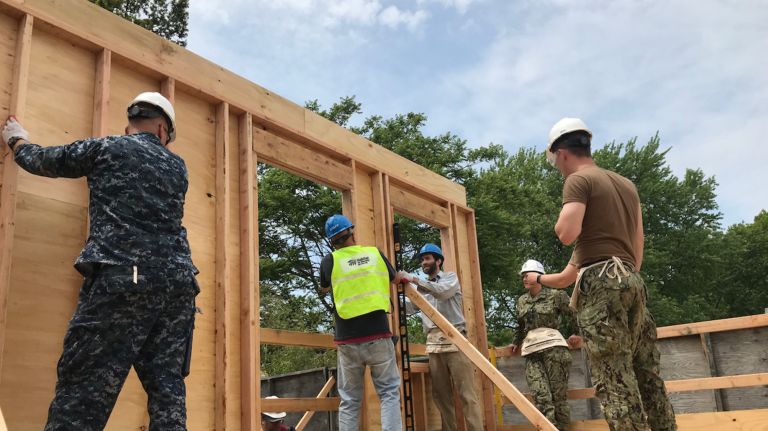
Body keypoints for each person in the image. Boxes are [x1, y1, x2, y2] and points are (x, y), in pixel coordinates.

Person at [1, 92, 199, 431]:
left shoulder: (107, 148)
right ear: (163, 130)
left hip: (122, 280)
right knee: (167, 391)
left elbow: (43, 160)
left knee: (83, 390)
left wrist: (17, 141)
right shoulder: (178, 167)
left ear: (130, 124)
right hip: (177, 287)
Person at [523, 118, 676, 431]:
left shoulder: (579, 181)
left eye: (555, 162)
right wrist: (539, 279)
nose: (558, 168)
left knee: (614, 378)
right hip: (632, 279)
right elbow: (637, 242)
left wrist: (562, 221)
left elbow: (567, 232)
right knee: (647, 374)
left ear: (561, 153)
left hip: (601, 284)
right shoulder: (626, 186)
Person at [318, 214, 402, 431]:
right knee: (389, 392)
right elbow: (396, 279)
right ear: (351, 232)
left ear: (331, 240)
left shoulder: (329, 261)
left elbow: (325, 287)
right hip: (378, 336)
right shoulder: (374, 254)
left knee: (349, 400)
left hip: (348, 340)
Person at [399, 243, 483, 431]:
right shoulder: (422, 289)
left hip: (456, 342)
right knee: (441, 397)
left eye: (427, 258)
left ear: (438, 260)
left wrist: (413, 279)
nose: (424, 263)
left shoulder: (450, 278)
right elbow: (410, 307)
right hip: (434, 346)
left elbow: (442, 292)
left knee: (467, 395)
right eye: (422, 260)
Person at [510, 259, 580, 431]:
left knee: (558, 399)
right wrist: (515, 341)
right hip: (532, 352)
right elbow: (520, 325)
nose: (524, 278)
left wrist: (577, 333)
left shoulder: (556, 296)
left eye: (527, 275)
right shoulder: (521, 300)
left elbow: (575, 314)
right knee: (541, 397)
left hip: (555, 351)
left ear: (539, 276)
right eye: (523, 276)